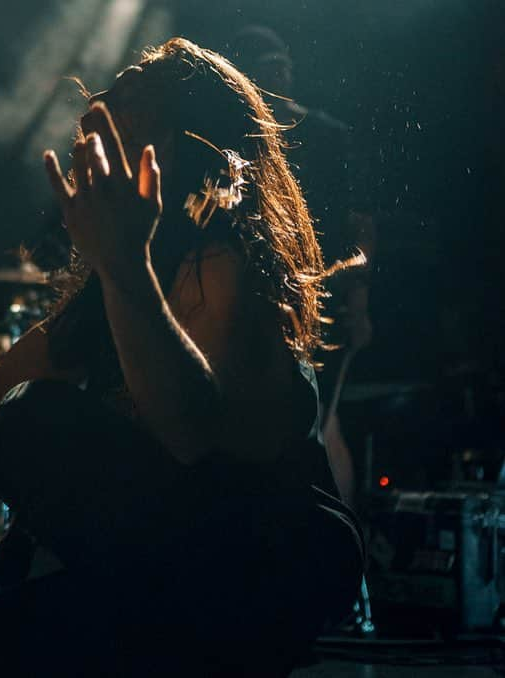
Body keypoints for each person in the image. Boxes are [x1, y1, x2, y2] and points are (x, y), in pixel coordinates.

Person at [0, 38, 363, 676]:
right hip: (157, 579)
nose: (103, 92)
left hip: (258, 575)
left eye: (135, 84)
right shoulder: (120, 275)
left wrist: (123, 264)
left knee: (44, 417)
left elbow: (195, 437)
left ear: (172, 134)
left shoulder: (222, 264)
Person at [229, 26, 375, 505]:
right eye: (269, 67)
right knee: (311, 423)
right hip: (271, 300)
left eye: (280, 66)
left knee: (320, 422)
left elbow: (358, 225)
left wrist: (358, 304)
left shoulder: (324, 136)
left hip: (320, 300)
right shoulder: (245, 139)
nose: (279, 75)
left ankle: (335, 544)